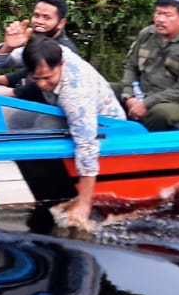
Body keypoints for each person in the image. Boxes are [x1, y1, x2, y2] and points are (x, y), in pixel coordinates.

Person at [18, 36, 125, 231]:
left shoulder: (75, 96)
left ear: (62, 65)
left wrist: (84, 205)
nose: (41, 84)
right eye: (36, 78)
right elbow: (12, 56)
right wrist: (6, 47)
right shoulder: (46, 53)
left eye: (48, 78)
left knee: (43, 124)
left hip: (109, 128)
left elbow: (87, 147)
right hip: (70, 115)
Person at [117, 0, 179, 131]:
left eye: (167, 15)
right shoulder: (147, 34)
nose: (161, 19)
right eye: (158, 13)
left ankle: (146, 143)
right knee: (103, 89)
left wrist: (146, 103)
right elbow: (131, 66)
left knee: (159, 113)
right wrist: (129, 95)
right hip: (143, 92)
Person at [0, 0, 78, 99]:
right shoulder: (38, 42)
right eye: (36, 16)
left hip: (46, 107)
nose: (39, 22)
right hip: (27, 95)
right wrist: (8, 47)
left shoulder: (65, 52)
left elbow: (43, 86)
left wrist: (11, 92)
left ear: (61, 23)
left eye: (47, 18)